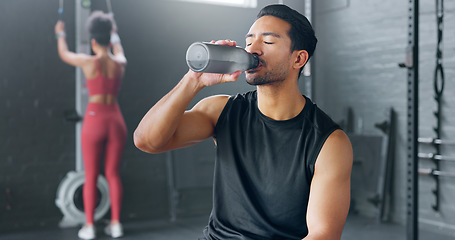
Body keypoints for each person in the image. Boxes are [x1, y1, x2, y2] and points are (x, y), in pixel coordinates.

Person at [134, 4, 352, 240]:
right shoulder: (221, 111)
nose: (253, 49)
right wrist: (193, 80)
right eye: (249, 41)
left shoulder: (328, 142)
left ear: (298, 58)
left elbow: (323, 234)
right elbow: (147, 141)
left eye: (267, 42)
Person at [55, 11, 127, 240]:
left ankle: (89, 226)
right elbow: (119, 51)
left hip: (95, 119)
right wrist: (115, 36)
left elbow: (64, 54)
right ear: (109, 37)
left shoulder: (88, 62)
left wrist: (60, 33)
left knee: (91, 175)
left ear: (93, 41)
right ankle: (116, 224)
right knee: (113, 174)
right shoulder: (120, 63)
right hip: (115, 119)